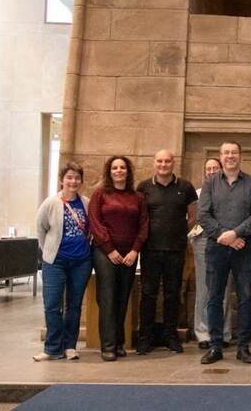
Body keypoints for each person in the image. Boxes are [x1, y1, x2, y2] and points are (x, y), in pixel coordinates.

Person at [197, 141, 251, 365]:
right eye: (226, 153)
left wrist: (235, 234)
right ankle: (215, 345)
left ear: (240, 156)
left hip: (243, 248)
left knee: (245, 297)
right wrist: (226, 237)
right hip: (216, 248)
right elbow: (203, 216)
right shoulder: (210, 184)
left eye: (234, 152)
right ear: (220, 156)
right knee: (214, 297)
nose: (230, 156)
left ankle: (243, 347)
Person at [135, 150, 198, 355]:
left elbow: (193, 217)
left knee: (173, 294)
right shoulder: (143, 187)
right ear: (154, 163)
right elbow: (139, 217)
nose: (163, 164)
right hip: (150, 249)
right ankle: (146, 337)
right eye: (160, 161)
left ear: (173, 163)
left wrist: (178, 232)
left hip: (175, 249)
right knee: (148, 294)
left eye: (167, 161)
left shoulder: (185, 187)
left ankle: (171, 336)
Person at [89, 156, 149, 362]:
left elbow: (143, 226)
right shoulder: (100, 194)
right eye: (115, 168)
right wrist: (109, 249)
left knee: (123, 297)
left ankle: (119, 342)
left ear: (128, 171)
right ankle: (108, 345)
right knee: (107, 298)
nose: (119, 171)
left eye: (122, 167)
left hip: (129, 254)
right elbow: (95, 223)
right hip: (105, 253)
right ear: (109, 171)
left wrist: (135, 250)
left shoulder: (137, 197)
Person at [34, 162, 93, 362]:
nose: (73, 181)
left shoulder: (86, 202)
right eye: (69, 177)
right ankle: (52, 348)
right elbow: (41, 229)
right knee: (52, 305)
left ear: (81, 181)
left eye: (77, 178)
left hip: (81, 262)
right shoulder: (51, 203)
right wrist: (49, 252)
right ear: (61, 180)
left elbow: (91, 228)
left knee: (74, 306)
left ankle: (69, 346)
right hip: (55, 262)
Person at [189, 158, 234, 350]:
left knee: (224, 287)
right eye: (208, 168)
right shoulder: (198, 194)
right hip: (202, 241)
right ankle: (203, 332)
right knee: (204, 288)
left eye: (215, 168)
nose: (212, 171)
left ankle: (223, 332)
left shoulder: (230, 191)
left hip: (226, 240)